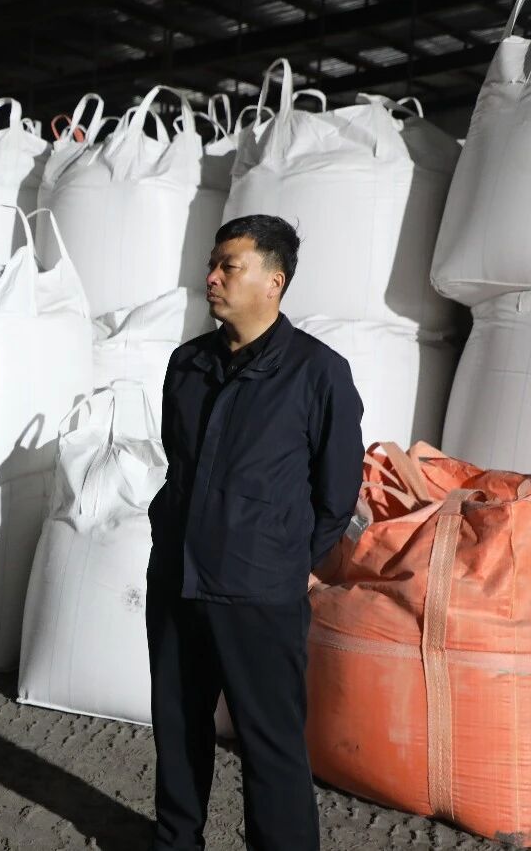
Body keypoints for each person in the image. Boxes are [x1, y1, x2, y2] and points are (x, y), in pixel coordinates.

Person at [146, 214, 364, 851]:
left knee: (270, 744)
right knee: (178, 728)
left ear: (275, 281)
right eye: (211, 265)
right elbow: (178, 462)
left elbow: (336, 495)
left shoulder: (317, 373)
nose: (212, 278)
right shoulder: (188, 364)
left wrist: (283, 561)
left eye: (229, 267)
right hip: (178, 578)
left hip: (259, 593)